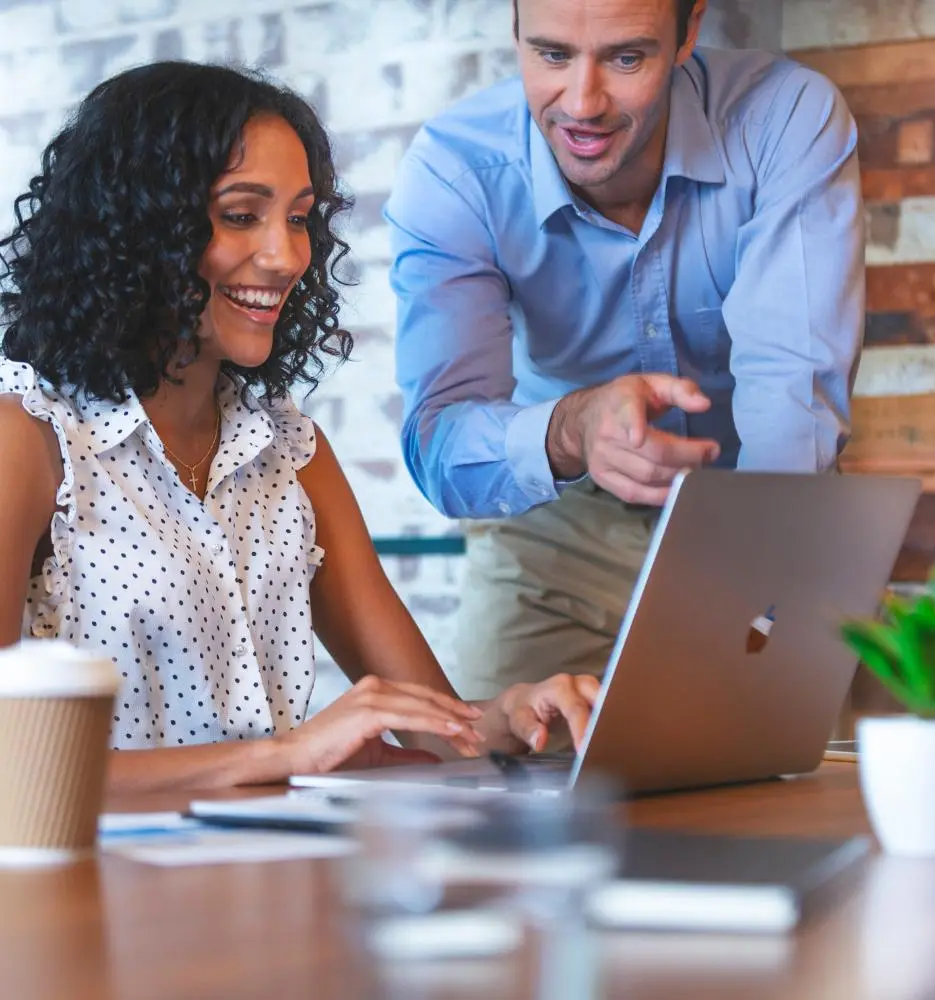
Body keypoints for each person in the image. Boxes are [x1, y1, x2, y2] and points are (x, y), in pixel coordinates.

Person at [0, 61, 599, 795]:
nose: (286, 256)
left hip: (261, 884)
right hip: (90, 896)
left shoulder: (291, 453)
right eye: (241, 215)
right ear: (137, 227)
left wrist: (509, 717)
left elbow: (440, 734)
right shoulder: (26, 440)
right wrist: (285, 755)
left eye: (297, 217)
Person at [386, 0, 865, 700]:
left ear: (689, 31)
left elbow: (793, 401)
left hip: (762, 507)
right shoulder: (456, 172)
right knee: (506, 791)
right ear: (514, 30)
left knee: (806, 786)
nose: (582, 104)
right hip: (555, 535)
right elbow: (442, 448)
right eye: (551, 55)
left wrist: (762, 612)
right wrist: (572, 427)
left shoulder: (785, 118)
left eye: (626, 58)